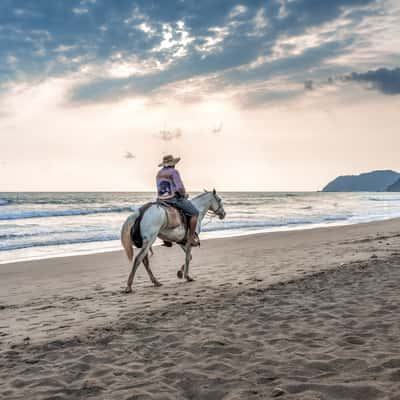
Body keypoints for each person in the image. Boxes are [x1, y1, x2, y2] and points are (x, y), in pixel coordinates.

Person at [156, 154, 200, 246]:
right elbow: (180, 188)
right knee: (195, 212)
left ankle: (166, 240)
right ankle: (191, 238)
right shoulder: (174, 172)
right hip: (172, 199)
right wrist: (184, 194)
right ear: (172, 163)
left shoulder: (159, 173)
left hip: (160, 199)